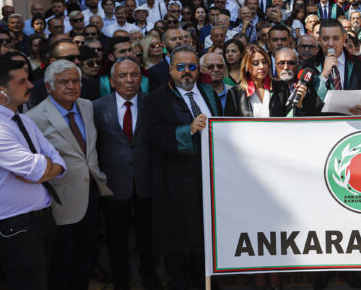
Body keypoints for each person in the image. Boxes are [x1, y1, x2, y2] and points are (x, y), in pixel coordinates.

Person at [0, 58, 65, 290]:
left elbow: (59, 163)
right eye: (22, 81)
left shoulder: (23, 119)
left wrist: (44, 168)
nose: (32, 85)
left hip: (42, 219)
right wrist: (44, 168)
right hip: (15, 228)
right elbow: (44, 168)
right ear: (0, 91)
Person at [26, 60, 112, 290]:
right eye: (64, 82)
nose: (71, 86)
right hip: (60, 201)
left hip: (91, 194)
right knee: (63, 261)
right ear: (48, 86)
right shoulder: (35, 118)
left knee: (86, 257)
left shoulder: (87, 106)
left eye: (76, 81)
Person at [144, 45, 222, 290]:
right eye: (180, 67)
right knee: (177, 243)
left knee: (207, 241)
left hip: (209, 182)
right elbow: (154, 136)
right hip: (175, 184)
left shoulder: (209, 93)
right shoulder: (155, 99)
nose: (186, 72)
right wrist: (188, 130)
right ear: (170, 69)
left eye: (191, 67)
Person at [92, 58, 160, 290]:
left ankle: (150, 278)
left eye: (134, 75)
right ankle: (121, 281)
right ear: (112, 81)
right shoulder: (97, 107)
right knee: (116, 239)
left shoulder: (152, 103)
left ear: (141, 79)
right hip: (113, 185)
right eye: (122, 76)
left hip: (146, 182)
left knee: (148, 238)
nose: (129, 80)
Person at [300, 19, 361, 115]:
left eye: (335, 38)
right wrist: (323, 76)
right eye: (326, 39)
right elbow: (305, 103)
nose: (331, 43)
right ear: (319, 40)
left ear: (344, 38)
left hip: (353, 125)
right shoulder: (308, 65)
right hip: (321, 124)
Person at [224, 44, 315, 117]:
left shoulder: (280, 87)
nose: (261, 67)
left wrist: (298, 104)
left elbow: (288, 119)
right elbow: (230, 126)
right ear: (247, 67)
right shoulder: (235, 93)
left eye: (264, 62)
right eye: (255, 63)